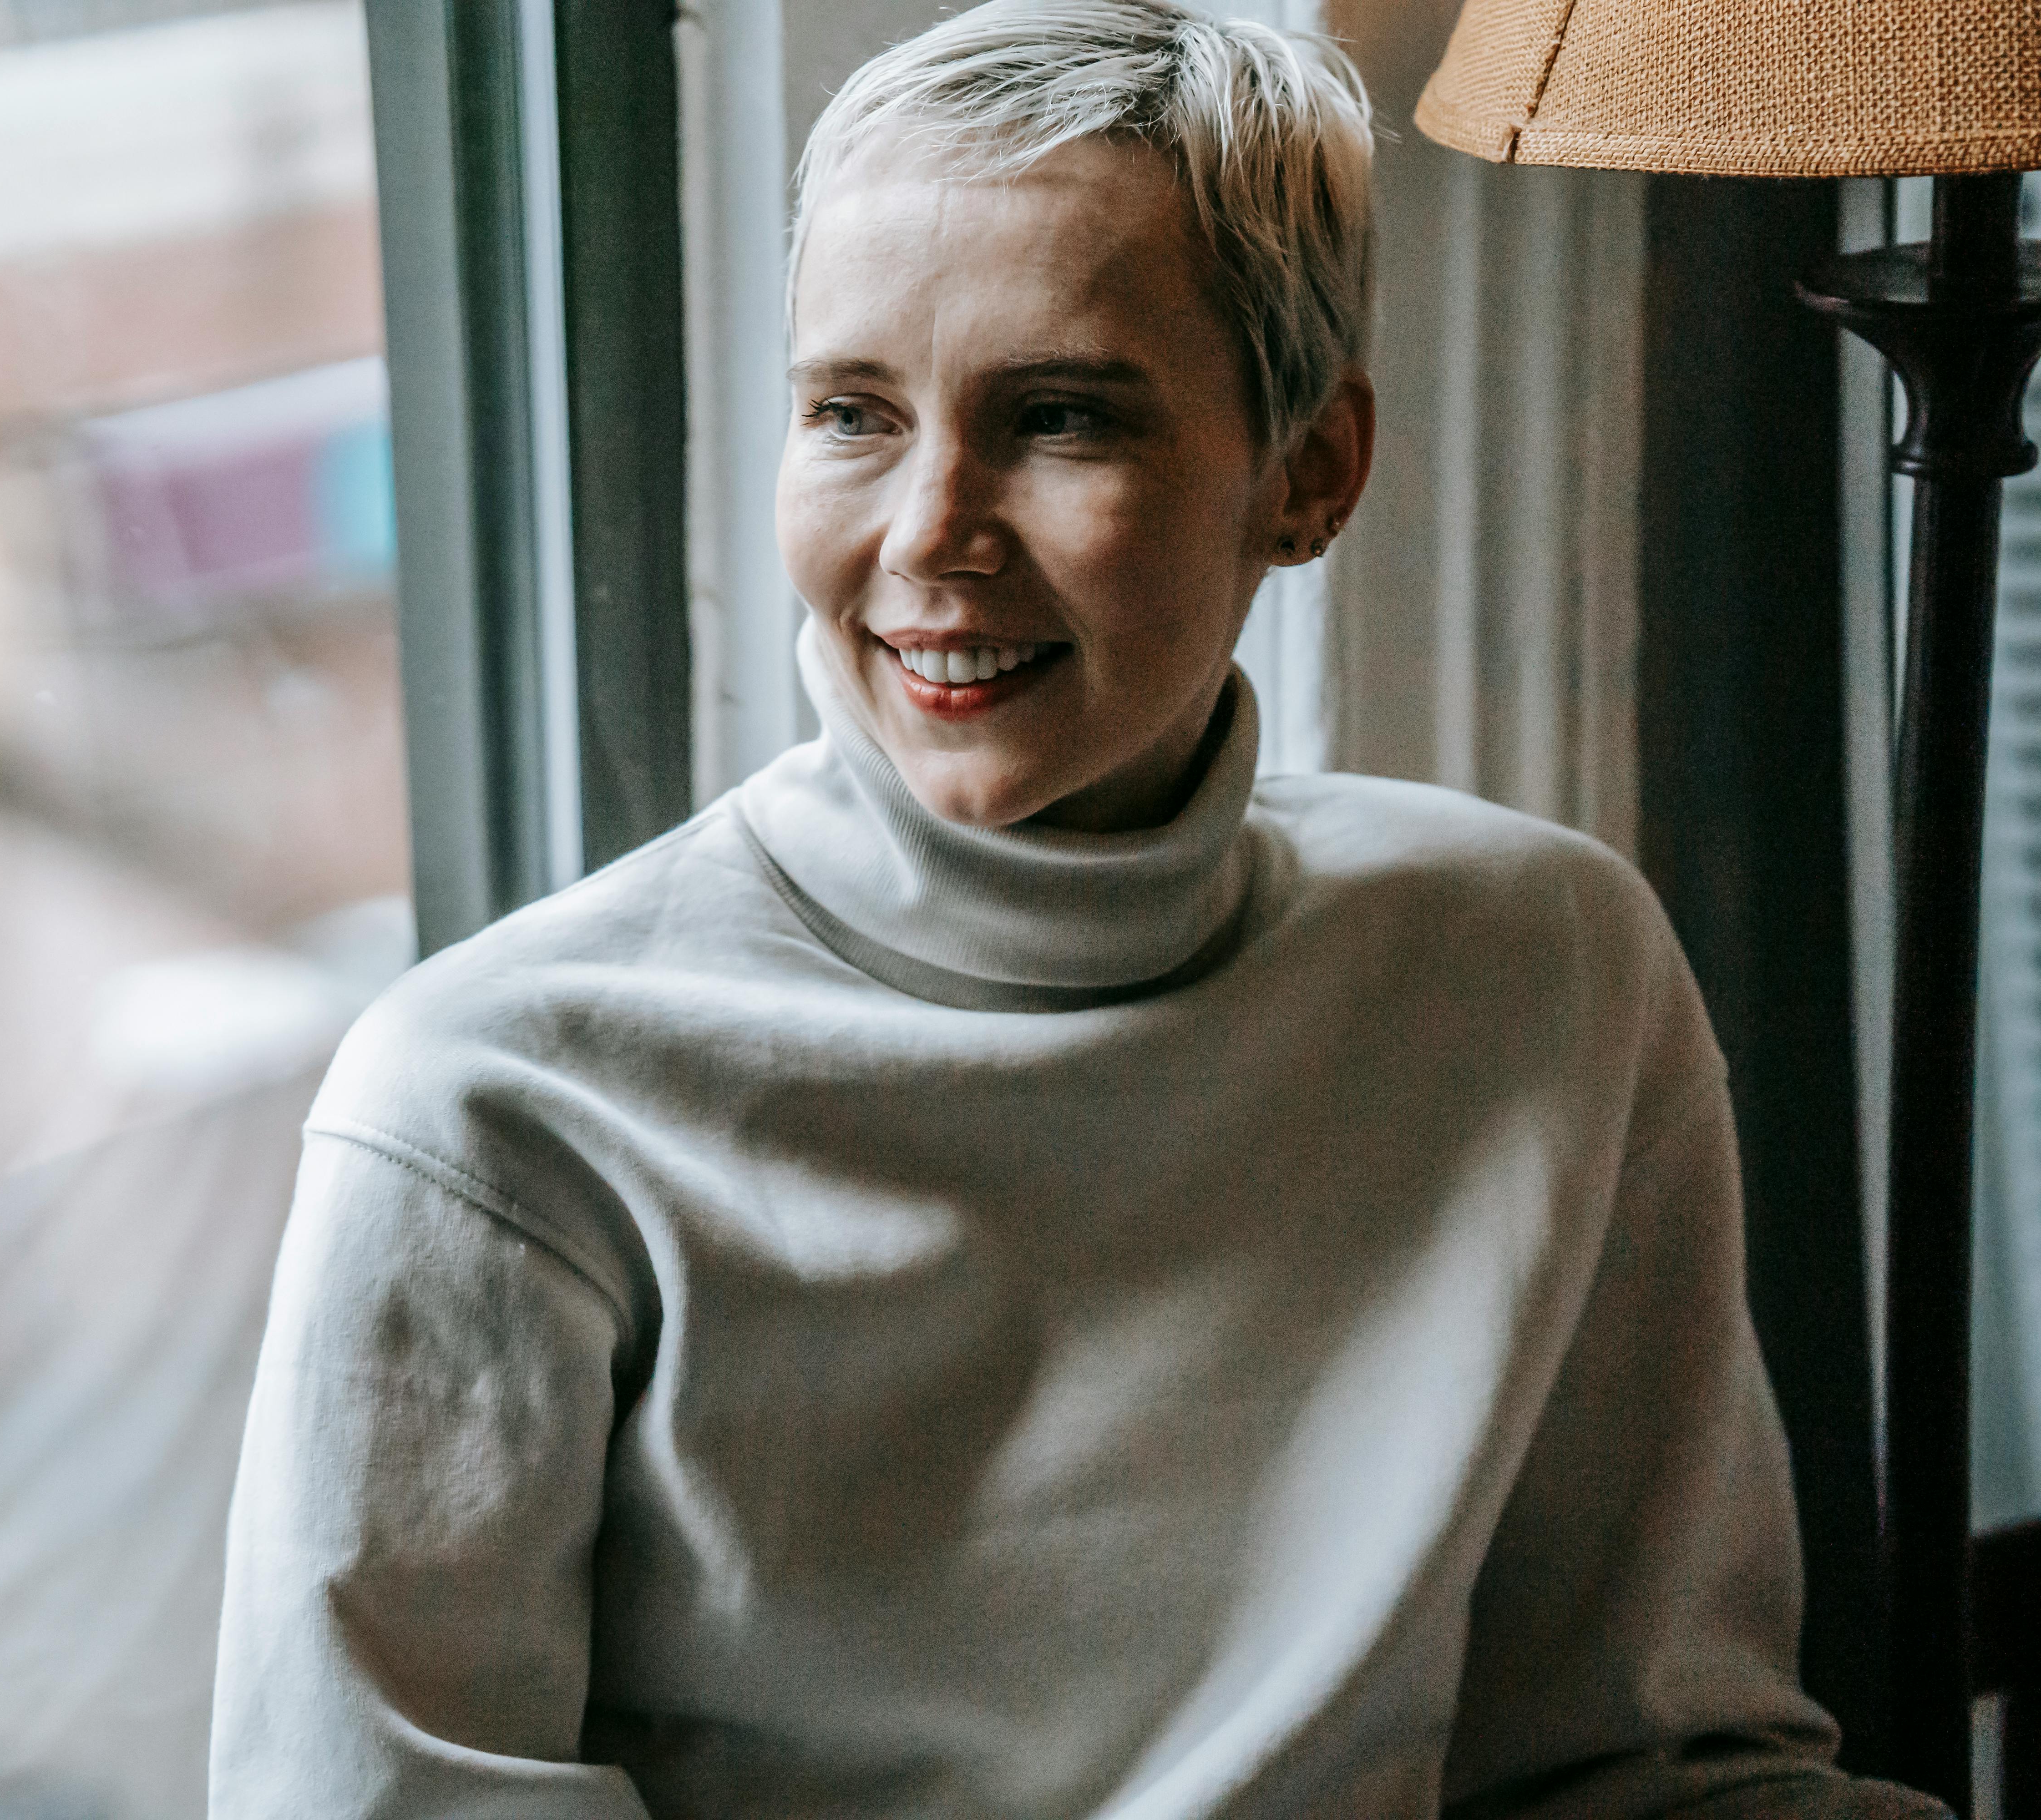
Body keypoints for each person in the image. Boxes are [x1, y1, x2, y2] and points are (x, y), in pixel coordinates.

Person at [205, 3, 1945, 1815]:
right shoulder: (492, 1103)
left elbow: (1662, 1773)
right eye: (854, 415)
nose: (931, 531)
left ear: (1312, 476)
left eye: (1059, 417)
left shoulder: (1539, 972)